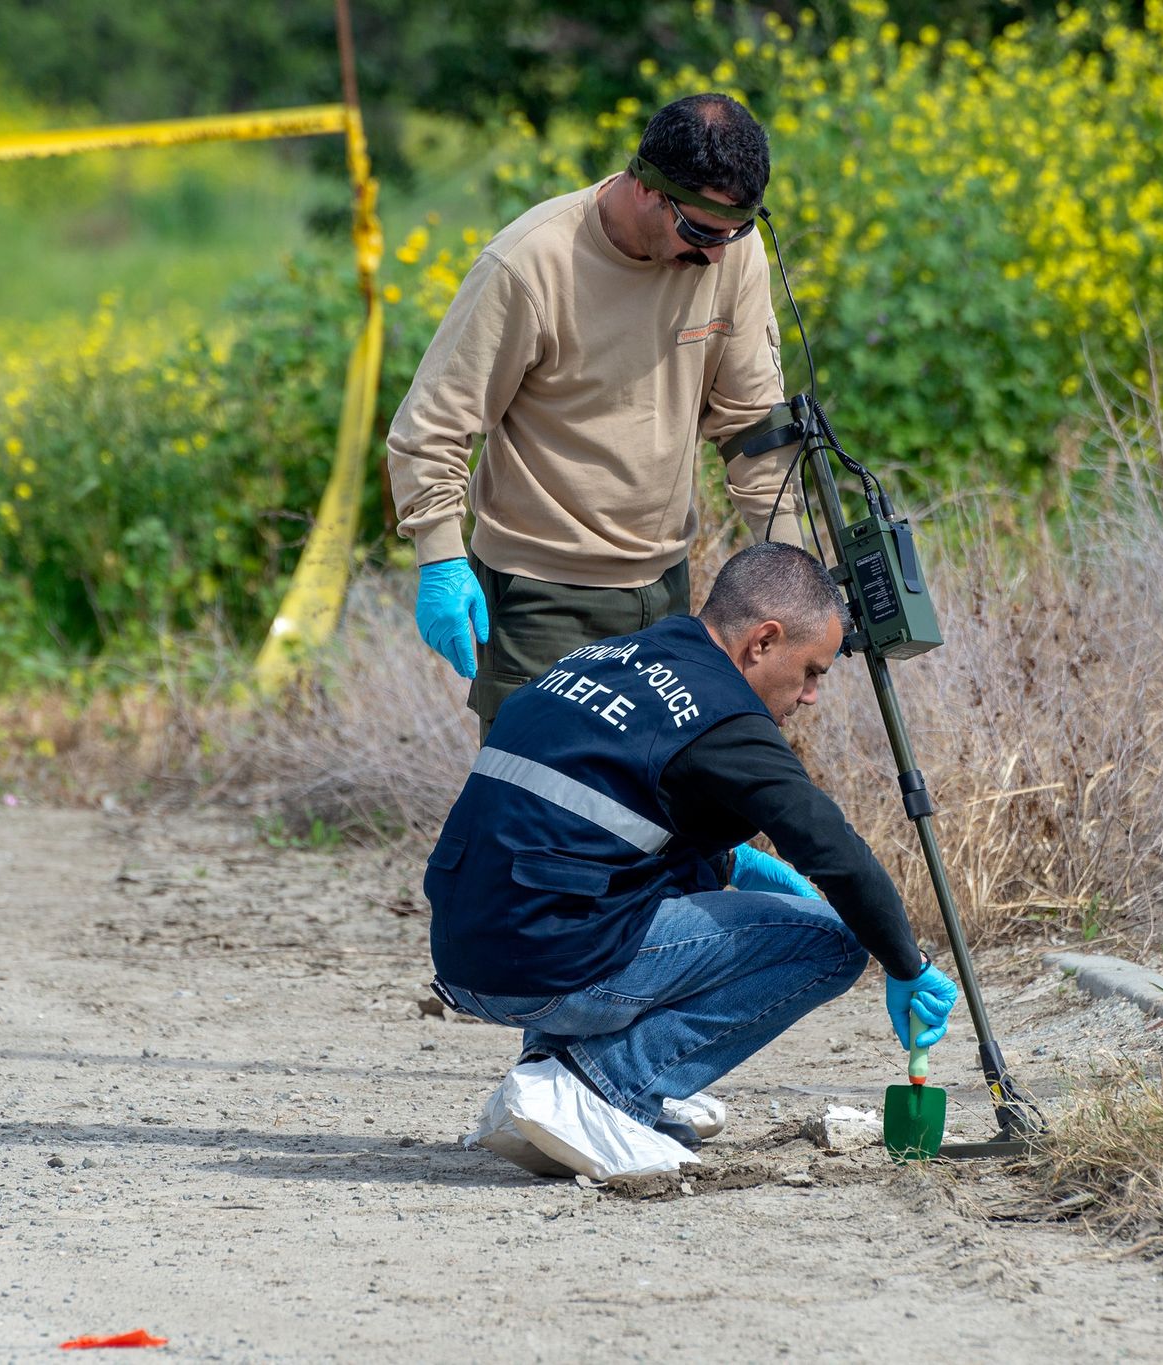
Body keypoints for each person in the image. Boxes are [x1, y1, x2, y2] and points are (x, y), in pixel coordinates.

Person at [423, 543, 962, 1179]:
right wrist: (905, 963)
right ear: (763, 640)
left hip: (465, 956)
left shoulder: (607, 657)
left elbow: (602, 824)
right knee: (835, 942)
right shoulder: (723, 717)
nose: (812, 695)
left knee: (614, 894)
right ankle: (602, 1086)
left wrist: (732, 867)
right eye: (813, 670)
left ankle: (545, 1079)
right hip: (548, 968)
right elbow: (838, 855)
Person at [385, 92, 806, 737]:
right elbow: (433, 428)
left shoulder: (728, 253)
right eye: (699, 232)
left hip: (664, 589)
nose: (715, 255)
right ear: (645, 188)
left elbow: (752, 422)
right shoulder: (529, 265)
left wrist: (790, 566)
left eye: (735, 234)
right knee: (541, 817)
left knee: (659, 814)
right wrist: (440, 557)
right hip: (539, 597)